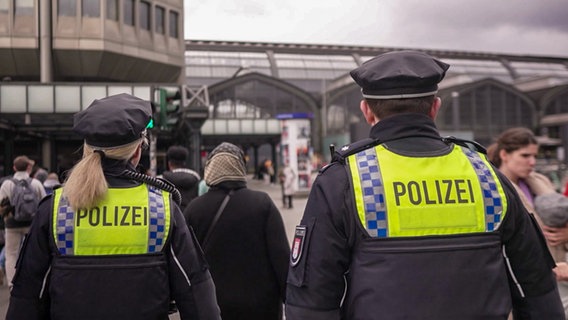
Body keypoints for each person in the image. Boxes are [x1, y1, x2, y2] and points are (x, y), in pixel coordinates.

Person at [285, 50, 564, 319]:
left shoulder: (345, 179)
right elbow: (536, 286)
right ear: (435, 107)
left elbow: (312, 299)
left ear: (366, 111)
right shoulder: (486, 175)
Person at [6, 93, 221, 320]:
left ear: (87, 149)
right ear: (138, 152)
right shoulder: (162, 210)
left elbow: (27, 297)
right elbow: (197, 296)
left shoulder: (56, 209)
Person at [184, 142, 290, 320]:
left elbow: (187, 265)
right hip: (261, 308)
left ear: (210, 169)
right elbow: (282, 260)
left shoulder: (195, 210)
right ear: (240, 167)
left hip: (213, 308)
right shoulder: (262, 204)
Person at [487, 127, 568, 318]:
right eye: (525, 155)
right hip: (522, 276)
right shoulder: (493, 188)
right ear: (505, 154)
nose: (532, 162)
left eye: (534, 156)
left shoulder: (541, 180)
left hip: (558, 272)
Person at [0, 155, 46, 288]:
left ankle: (12, 283)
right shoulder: (36, 183)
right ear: (28, 167)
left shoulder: (7, 184)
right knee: (31, 252)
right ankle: (30, 279)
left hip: (12, 224)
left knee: (11, 253)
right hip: (31, 224)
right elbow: (43, 202)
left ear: (14, 167)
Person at [160, 145, 201, 211]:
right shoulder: (196, 178)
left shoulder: (162, 179)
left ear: (169, 163)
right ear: (184, 162)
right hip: (190, 217)